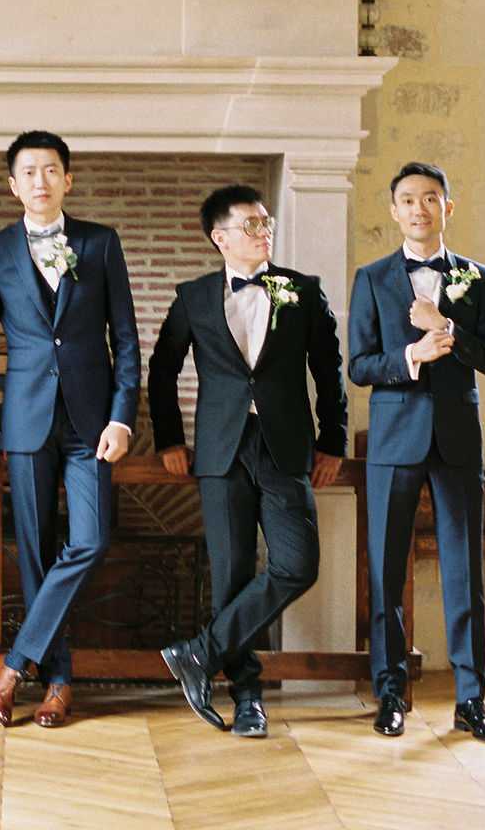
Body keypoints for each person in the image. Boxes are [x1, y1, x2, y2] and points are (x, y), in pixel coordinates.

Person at [148, 185, 347, 738]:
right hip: (220, 451)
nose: (265, 232)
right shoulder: (192, 297)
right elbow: (162, 370)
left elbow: (328, 371)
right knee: (232, 575)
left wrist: (333, 441)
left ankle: (199, 652)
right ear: (221, 238)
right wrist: (169, 440)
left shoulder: (303, 291)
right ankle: (248, 698)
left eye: (267, 223)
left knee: (297, 564)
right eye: (252, 225)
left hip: (285, 447)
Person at [0, 131, 140, 728]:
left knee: (90, 539)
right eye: (28, 172)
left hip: (93, 423)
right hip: (25, 421)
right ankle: (59, 683)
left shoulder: (100, 242)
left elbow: (126, 337)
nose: (40, 181)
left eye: (50, 170)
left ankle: (13, 664)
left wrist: (122, 416)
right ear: (12, 185)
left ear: (68, 179)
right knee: (36, 553)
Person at [349, 162, 485, 742]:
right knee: (386, 570)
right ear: (394, 210)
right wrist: (413, 355)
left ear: (448, 206)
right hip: (394, 440)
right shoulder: (372, 278)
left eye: (431, 198)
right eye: (409, 199)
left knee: (464, 572)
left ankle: (470, 699)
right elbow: (359, 365)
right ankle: (390, 693)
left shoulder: (478, 277)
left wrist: (449, 328)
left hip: (457, 440)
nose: (420, 208)